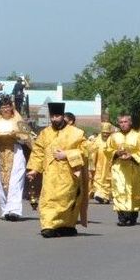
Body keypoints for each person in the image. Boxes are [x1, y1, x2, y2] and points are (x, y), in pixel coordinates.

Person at [27, 102, 88, 238]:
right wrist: (34, 170)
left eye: (57, 116)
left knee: (67, 200)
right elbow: (38, 152)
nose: (54, 119)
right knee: (48, 199)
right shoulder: (45, 133)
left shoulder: (76, 133)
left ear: (62, 116)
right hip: (50, 174)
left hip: (69, 174)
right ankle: (48, 226)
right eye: (52, 116)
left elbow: (85, 151)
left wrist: (67, 154)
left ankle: (66, 225)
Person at [106, 113, 140, 226]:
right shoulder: (114, 136)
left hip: (133, 168)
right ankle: (122, 217)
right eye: (121, 122)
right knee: (119, 190)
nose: (123, 124)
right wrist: (116, 153)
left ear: (130, 122)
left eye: (125, 122)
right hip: (119, 168)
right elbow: (107, 149)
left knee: (133, 191)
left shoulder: (138, 136)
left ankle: (133, 215)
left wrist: (132, 156)